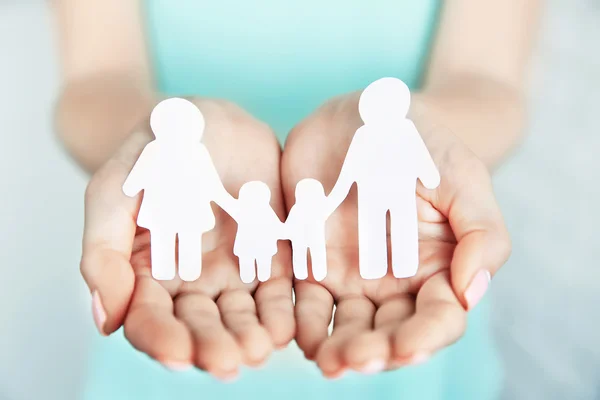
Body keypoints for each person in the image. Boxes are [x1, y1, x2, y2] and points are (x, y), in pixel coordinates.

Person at [53, 0, 541, 399]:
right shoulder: (173, 155)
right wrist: (148, 143)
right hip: (167, 319)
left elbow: (487, 82)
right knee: (182, 246)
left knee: (377, 234)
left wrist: (431, 153)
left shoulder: (386, 138)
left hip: (410, 294)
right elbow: (94, 82)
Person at [327, 77, 440, 280]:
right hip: (375, 192)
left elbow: (419, 154)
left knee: (400, 224)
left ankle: (401, 264)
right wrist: (335, 196)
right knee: (374, 227)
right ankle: (374, 266)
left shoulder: (404, 129)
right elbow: (350, 168)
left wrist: (429, 175)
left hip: (396, 190)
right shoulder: (364, 134)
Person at [122, 97, 236, 282]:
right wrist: (130, 187)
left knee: (180, 237)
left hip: (173, 207)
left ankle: (185, 269)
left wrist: (229, 204)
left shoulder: (191, 151)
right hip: (172, 207)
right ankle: (169, 269)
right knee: (166, 237)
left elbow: (211, 183)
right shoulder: (159, 149)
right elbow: (211, 184)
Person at [232, 181, 284, 283]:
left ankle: (258, 275)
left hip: (257, 246)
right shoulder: (243, 211)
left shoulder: (265, 211)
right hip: (252, 246)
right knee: (250, 261)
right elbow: (277, 227)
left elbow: (277, 226)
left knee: (259, 261)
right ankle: (250, 275)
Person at [285, 178, 330, 282]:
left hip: (311, 238)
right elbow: (290, 223)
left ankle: (318, 273)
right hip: (303, 238)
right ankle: (307, 273)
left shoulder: (316, 209)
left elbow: (289, 223)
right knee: (306, 253)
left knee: (313, 253)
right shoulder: (297, 209)